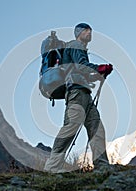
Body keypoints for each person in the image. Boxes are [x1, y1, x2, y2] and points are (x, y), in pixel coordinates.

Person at [44, 23, 113, 173]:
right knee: (70, 127)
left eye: (90, 31)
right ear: (78, 33)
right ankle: (52, 167)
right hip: (76, 92)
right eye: (86, 30)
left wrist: (97, 75)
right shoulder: (75, 45)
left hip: (84, 93)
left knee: (97, 128)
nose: (89, 33)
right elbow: (82, 66)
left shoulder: (77, 47)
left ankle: (102, 166)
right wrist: (99, 68)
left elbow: (80, 70)